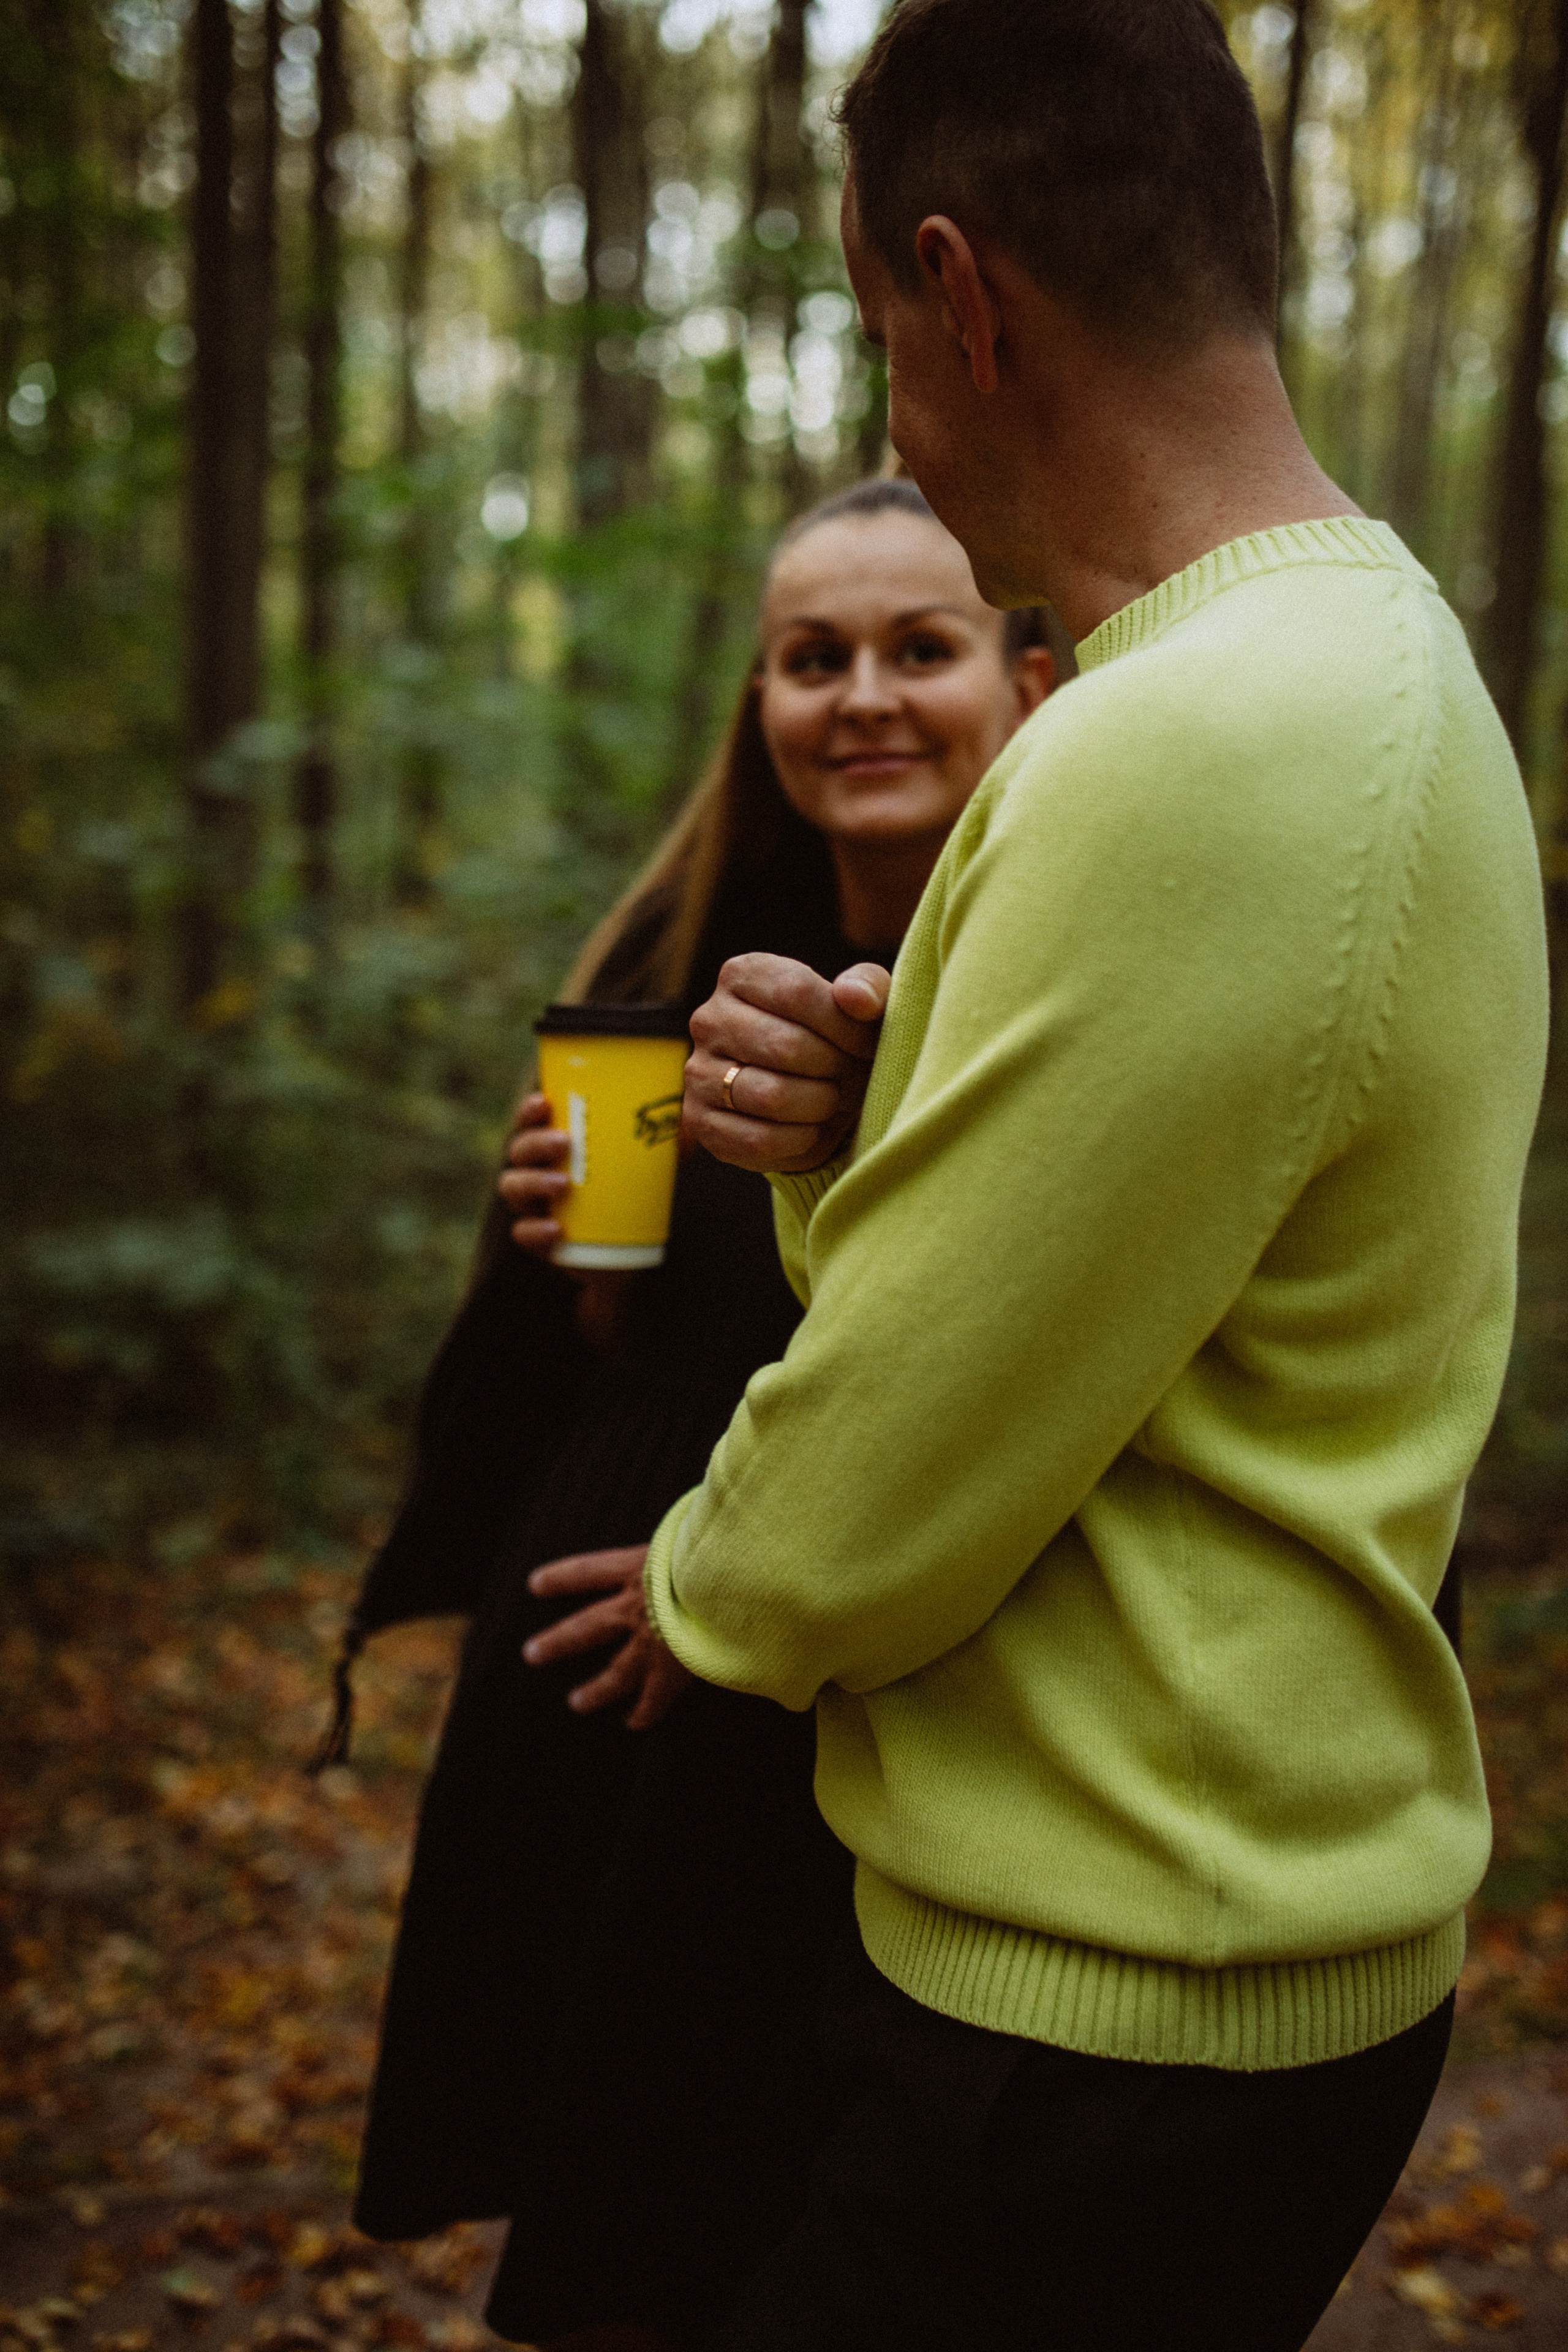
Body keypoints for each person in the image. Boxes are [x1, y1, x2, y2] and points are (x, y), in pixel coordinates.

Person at [568, 4, 1550, 2347]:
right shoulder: (1366, 661)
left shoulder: (1200, 736)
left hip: (1102, 2016)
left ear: (962, 292)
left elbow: (905, 1438)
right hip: (1197, 1954)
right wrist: (847, 1145)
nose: (897, 415)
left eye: (876, 332)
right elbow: (1135, 1284)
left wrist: (716, 1591)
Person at [336, 476, 1055, 2352]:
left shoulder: (1053, 988)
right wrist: (573, 1271)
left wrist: (731, 1581)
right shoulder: (663, 983)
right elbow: (629, 1351)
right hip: (600, 1701)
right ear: (761, 701)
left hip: (819, 1707)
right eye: (814, 659)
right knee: (619, 2236)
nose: (865, 695)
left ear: (1024, 678)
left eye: (922, 645)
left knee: (788, 2226)